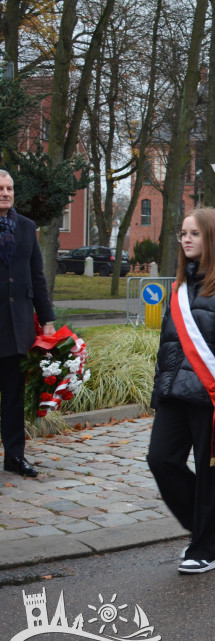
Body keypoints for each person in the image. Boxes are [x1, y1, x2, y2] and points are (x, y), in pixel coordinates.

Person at [147, 207, 215, 574]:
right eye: (183, 233)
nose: (186, 239)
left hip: (212, 397)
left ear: (211, 237)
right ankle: (203, 526)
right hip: (176, 394)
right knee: (161, 459)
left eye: (194, 233)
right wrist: (159, 390)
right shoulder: (180, 287)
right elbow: (170, 345)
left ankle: (208, 548)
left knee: (210, 471)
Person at [0, 170, 56, 478]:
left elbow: (38, 276)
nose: (6, 193)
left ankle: (14, 457)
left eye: (9, 188)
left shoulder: (26, 227)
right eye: (1, 188)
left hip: (17, 327)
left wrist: (46, 318)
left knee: (13, 398)